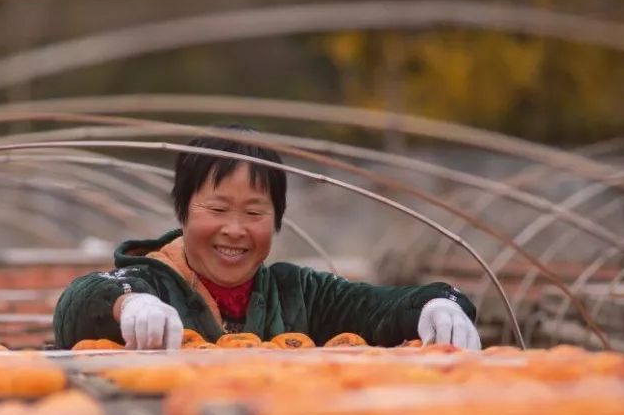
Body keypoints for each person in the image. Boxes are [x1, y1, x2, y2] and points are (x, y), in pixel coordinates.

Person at [53, 128, 480, 350]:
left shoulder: (299, 294)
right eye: (218, 209)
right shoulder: (153, 284)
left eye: (255, 213)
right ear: (183, 212)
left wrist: (437, 303)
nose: (235, 229)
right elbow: (80, 302)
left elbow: (376, 306)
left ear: (276, 220)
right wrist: (130, 304)